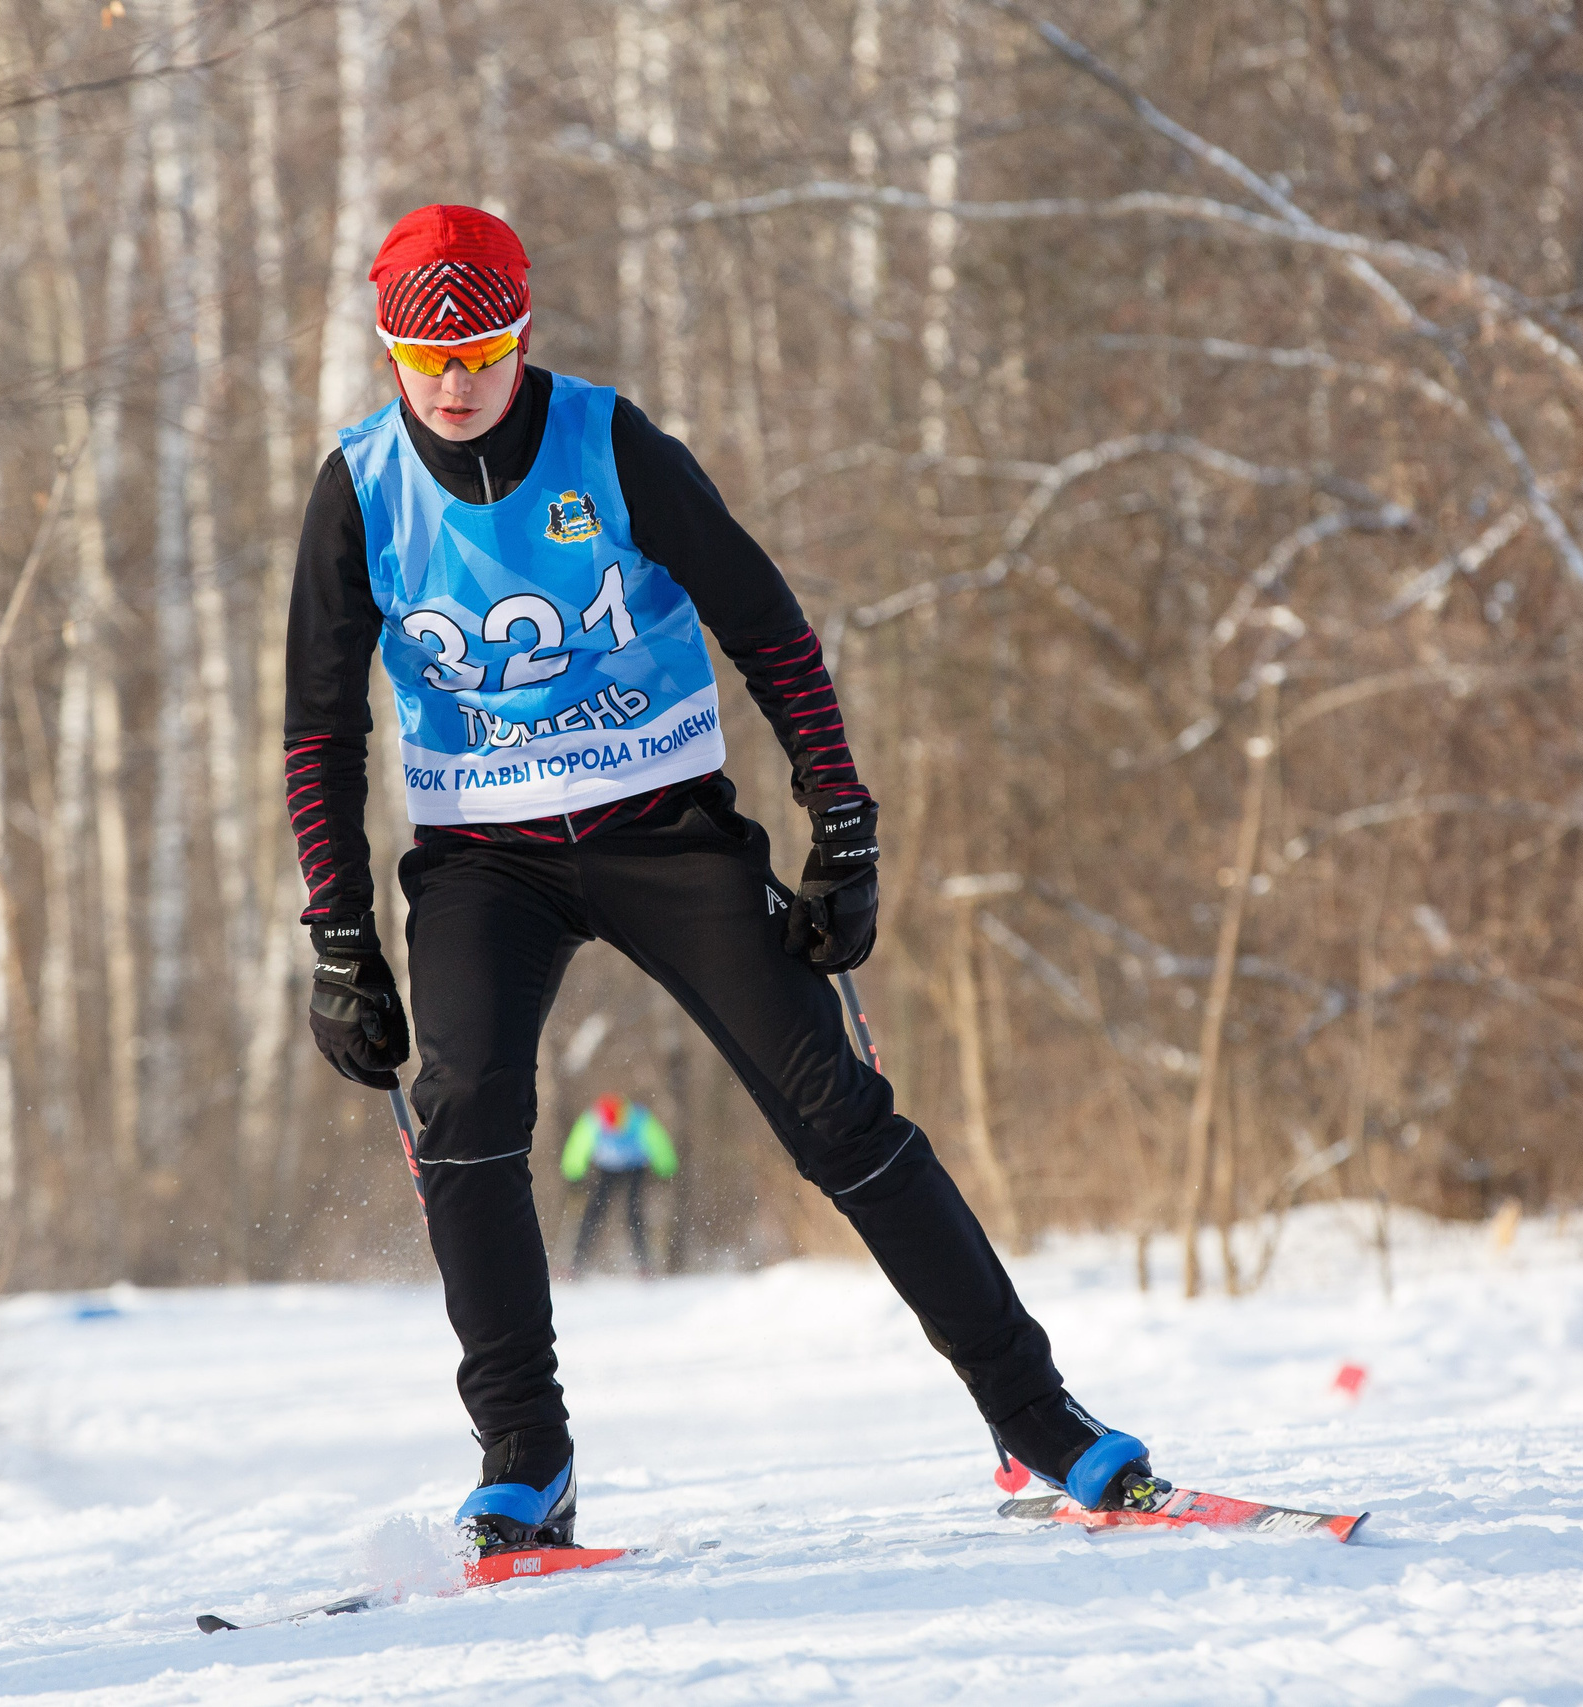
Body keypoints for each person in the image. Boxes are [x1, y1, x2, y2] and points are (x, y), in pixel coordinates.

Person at [284, 204, 1158, 1554]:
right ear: (389, 347)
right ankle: (525, 1451)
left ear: (523, 333)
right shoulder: (357, 487)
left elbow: (770, 629)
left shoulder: (611, 443)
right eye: (423, 357)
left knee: (839, 1115)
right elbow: (320, 726)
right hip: (481, 856)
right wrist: (339, 932)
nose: (454, 386)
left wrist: (843, 820)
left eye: (481, 352)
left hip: (661, 827)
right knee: (463, 1116)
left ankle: (1037, 1413)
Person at [561, 1093, 677, 1275]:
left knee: (633, 1213)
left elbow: (658, 1142)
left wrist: (665, 1169)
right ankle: (577, 1263)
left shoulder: (638, 1119)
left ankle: (644, 1263)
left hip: (634, 1168)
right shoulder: (593, 1120)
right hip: (607, 1169)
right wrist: (574, 1173)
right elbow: (578, 1145)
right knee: (593, 1212)